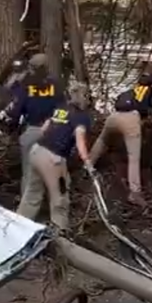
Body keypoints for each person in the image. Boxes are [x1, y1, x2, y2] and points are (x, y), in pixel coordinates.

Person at [18, 83, 93, 231]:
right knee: (60, 199)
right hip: (53, 159)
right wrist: (88, 163)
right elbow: (80, 141)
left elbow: (44, 129)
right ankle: (60, 234)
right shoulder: (81, 117)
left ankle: (20, 226)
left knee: (32, 193)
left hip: (36, 151)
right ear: (84, 97)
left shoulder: (61, 108)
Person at [88, 71, 152, 206]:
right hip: (131, 119)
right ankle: (135, 193)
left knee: (102, 141)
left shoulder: (130, 92)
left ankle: (87, 166)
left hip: (113, 117)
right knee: (134, 158)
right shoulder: (150, 92)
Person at [0, 53, 65, 192]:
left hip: (33, 131)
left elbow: (16, 111)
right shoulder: (57, 84)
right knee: (53, 169)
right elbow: (64, 108)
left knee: (29, 172)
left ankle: (26, 206)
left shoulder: (26, 86)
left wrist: (7, 122)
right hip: (54, 132)